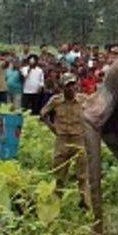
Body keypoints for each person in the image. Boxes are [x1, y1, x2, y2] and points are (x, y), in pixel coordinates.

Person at [40, 73, 91, 207]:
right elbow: (43, 114)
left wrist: (88, 130)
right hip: (62, 140)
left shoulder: (84, 100)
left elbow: (94, 112)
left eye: (73, 85)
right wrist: (53, 129)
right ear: (62, 87)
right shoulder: (56, 101)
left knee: (83, 175)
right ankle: (56, 203)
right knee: (59, 175)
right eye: (68, 86)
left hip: (78, 139)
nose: (71, 88)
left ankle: (85, 202)